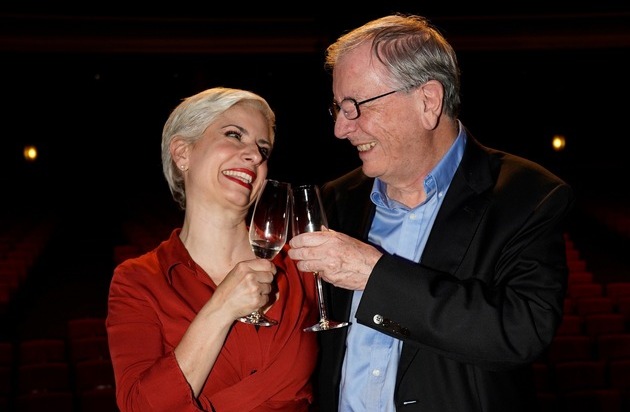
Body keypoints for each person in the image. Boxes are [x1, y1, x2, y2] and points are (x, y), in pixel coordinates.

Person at [287, 14, 575, 412]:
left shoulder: (528, 196)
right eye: (338, 107)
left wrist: (374, 275)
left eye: (356, 106)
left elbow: (519, 332)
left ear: (428, 101)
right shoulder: (335, 199)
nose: (341, 128)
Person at [106, 87, 319, 412]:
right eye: (234, 135)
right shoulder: (137, 280)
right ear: (183, 153)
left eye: (263, 148)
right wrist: (221, 309)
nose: (254, 156)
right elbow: (139, 407)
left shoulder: (300, 265)